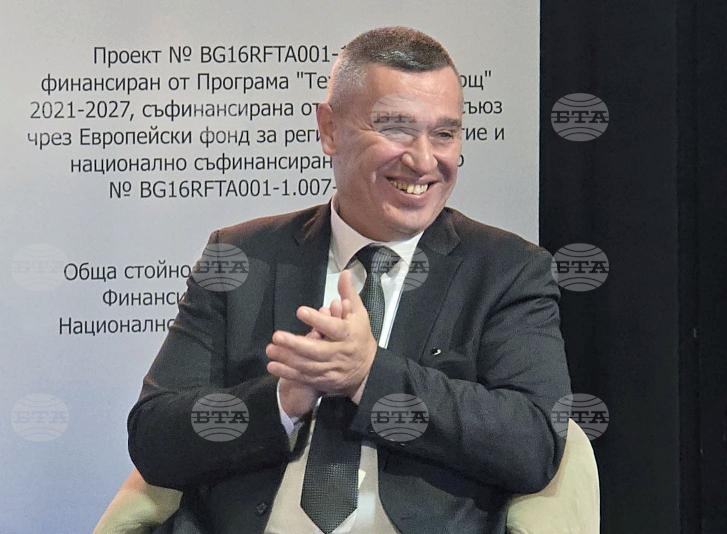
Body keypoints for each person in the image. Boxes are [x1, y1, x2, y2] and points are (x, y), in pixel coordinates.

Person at [128, 26, 571, 534]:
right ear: (330, 129)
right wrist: (282, 400)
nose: (424, 160)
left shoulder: (506, 269)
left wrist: (368, 377)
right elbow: (154, 438)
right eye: (396, 129)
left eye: (444, 134)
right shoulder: (243, 255)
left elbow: (535, 444)